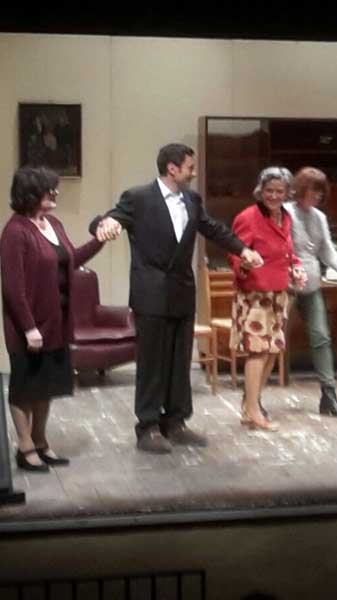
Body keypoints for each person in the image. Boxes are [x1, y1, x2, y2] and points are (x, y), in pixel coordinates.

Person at [91, 143, 263, 453]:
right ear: (172, 168)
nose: (193, 173)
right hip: (151, 292)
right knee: (152, 362)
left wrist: (242, 250)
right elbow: (111, 219)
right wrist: (105, 224)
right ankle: (148, 426)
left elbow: (213, 229)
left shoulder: (192, 200)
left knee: (179, 361)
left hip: (182, 291)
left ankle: (175, 422)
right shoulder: (139, 197)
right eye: (189, 167)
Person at [1, 166, 106, 471]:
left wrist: (99, 240)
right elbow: (13, 287)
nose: (55, 193)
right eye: (50, 189)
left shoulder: (54, 224)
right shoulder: (15, 231)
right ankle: (24, 448)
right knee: (25, 387)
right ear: (32, 193)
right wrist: (29, 328)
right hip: (29, 327)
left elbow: (72, 260)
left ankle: (40, 441)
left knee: (45, 386)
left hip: (56, 323)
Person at [285, 166, 337, 418]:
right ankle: (253, 399)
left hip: (311, 286)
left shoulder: (319, 217)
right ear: (301, 189)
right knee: (272, 341)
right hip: (286, 286)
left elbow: (327, 252)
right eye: (314, 190)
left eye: (321, 192)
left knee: (321, 337)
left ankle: (328, 396)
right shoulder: (285, 213)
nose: (318, 196)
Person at [229, 167, 307, 432]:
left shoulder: (286, 217)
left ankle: (250, 405)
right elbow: (235, 253)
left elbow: (287, 252)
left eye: (279, 191)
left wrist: (296, 267)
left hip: (279, 294)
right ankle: (253, 412)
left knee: (272, 351)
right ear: (260, 191)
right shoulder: (248, 217)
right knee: (258, 351)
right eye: (269, 190)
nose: (273, 196)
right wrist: (244, 264)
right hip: (255, 294)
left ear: (287, 193)